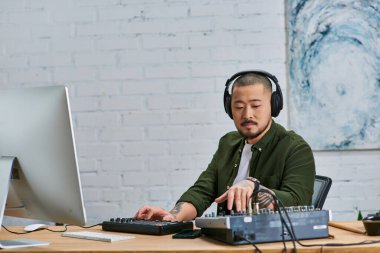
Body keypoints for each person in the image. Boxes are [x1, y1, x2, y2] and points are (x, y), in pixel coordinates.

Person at [135, 70, 315, 222]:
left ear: (273, 106)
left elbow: (299, 202)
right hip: (228, 241)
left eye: (256, 105)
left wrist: (254, 187)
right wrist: (172, 217)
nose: (247, 114)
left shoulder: (295, 148)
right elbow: (202, 191)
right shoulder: (228, 143)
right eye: (239, 106)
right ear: (229, 109)